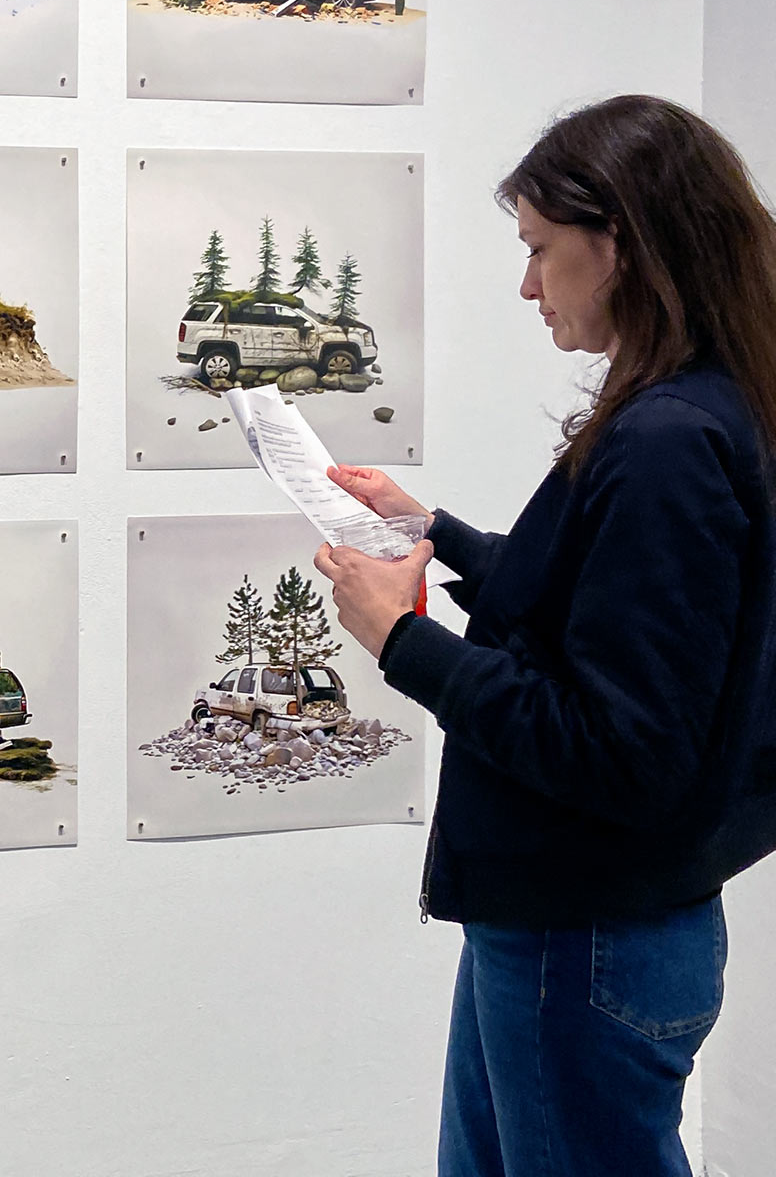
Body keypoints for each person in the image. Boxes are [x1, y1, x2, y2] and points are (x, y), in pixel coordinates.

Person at [314, 95, 776, 1177]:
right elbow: (609, 615)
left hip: (589, 935)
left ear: (617, 242)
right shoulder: (707, 407)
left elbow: (618, 750)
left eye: (539, 249)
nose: (526, 285)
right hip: (572, 923)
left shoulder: (668, 439)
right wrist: (441, 534)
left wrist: (400, 641)